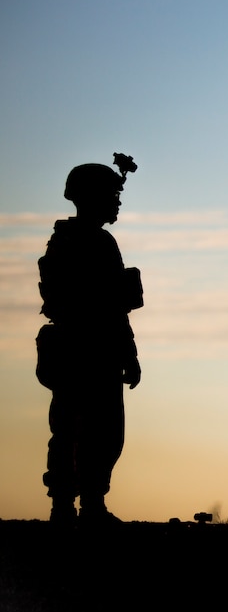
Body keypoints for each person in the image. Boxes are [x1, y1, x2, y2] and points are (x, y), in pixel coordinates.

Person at [37, 153, 143, 526]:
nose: (117, 202)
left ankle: (84, 504)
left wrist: (127, 351)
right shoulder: (77, 243)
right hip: (83, 349)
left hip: (98, 349)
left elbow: (118, 307)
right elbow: (105, 304)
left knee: (101, 432)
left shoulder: (93, 241)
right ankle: (70, 505)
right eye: (112, 194)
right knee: (76, 430)